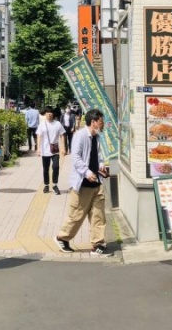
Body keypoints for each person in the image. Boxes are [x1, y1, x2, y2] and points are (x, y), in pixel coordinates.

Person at [54, 108, 114, 256]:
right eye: (101, 122)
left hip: (96, 183)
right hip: (82, 184)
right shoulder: (80, 136)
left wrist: (101, 168)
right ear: (93, 122)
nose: (103, 124)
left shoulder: (97, 138)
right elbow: (76, 158)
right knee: (76, 215)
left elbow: (98, 158)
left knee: (98, 215)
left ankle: (97, 244)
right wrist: (87, 173)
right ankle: (62, 238)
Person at [36, 106, 65, 194]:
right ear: (45, 114)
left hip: (55, 150)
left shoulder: (57, 124)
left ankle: (55, 184)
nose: (49, 114)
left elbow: (62, 135)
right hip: (45, 150)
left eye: (50, 112)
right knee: (46, 168)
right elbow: (39, 136)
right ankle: (46, 185)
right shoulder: (42, 124)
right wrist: (38, 148)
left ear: (53, 114)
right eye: (47, 112)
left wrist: (63, 147)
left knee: (56, 167)